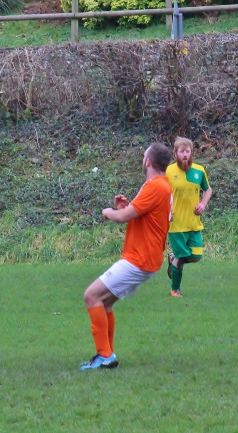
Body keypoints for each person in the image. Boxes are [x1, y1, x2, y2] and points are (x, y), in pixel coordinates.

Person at [80, 142, 173, 371]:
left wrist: (110, 212)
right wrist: (125, 207)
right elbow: (138, 215)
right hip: (144, 258)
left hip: (140, 259)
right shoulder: (160, 186)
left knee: (91, 295)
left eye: (143, 156)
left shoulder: (155, 186)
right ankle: (106, 354)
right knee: (105, 302)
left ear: (148, 161)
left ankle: (105, 356)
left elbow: (122, 218)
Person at [165, 136, 212, 297]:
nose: (185, 154)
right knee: (182, 256)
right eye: (181, 152)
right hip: (176, 223)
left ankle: (172, 258)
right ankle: (175, 290)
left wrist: (203, 204)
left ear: (191, 153)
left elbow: (208, 189)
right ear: (175, 154)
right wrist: (166, 211)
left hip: (193, 222)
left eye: (187, 151)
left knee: (196, 256)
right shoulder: (169, 171)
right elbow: (161, 193)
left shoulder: (199, 171)